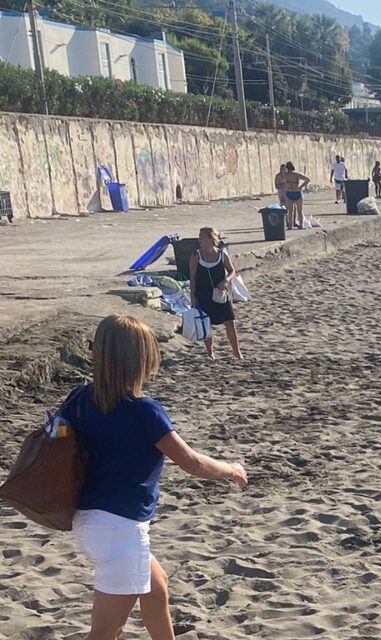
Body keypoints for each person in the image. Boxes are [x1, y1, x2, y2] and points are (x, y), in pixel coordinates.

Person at [70, 315, 248, 640]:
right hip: (120, 530)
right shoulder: (145, 412)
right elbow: (192, 462)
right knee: (106, 631)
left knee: (156, 587)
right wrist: (232, 469)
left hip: (87, 522)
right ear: (141, 360)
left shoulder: (80, 399)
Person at [188, 228, 242, 360]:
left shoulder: (222, 254)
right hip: (203, 292)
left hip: (220, 292)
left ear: (212, 239)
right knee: (206, 323)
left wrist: (226, 281)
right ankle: (210, 353)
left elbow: (232, 271)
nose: (200, 240)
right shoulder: (196, 255)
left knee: (230, 322)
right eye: (199, 237)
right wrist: (192, 297)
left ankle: (237, 352)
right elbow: (193, 277)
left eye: (203, 237)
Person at [280, 162, 310, 230]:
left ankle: (290, 226)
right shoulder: (296, 175)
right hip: (297, 192)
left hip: (289, 193)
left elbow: (280, 177)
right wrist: (301, 187)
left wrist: (287, 184)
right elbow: (307, 180)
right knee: (300, 211)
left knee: (290, 211)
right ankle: (301, 225)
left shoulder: (285, 175)